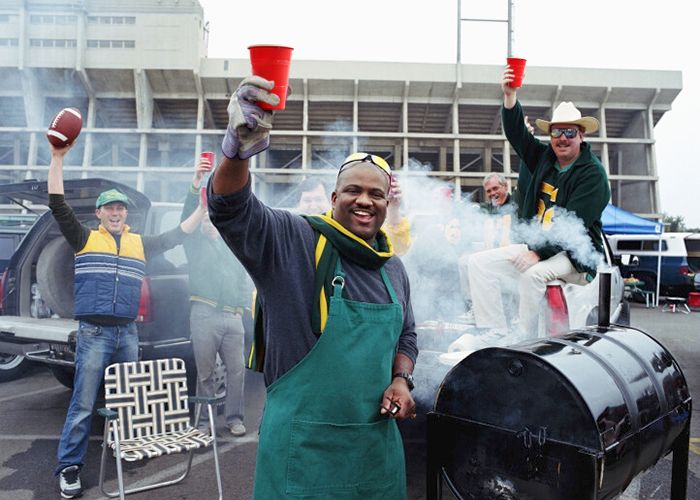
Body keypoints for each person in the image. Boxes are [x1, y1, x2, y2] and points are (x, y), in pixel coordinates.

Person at [208, 75, 418, 499]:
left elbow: (407, 337)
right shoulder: (294, 240)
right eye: (353, 191)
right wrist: (237, 148)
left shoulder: (392, 268)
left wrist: (401, 381)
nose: (365, 201)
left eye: (376, 194)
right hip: (301, 458)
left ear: (386, 203)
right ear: (335, 196)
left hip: (374, 454)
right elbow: (231, 209)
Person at [49, 143, 204, 499]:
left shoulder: (139, 242)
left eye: (120, 208)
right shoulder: (84, 237)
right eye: (110, 208)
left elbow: (179, 233)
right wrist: (58, 158)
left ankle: (123, 451)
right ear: (100, 213)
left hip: (127, 333)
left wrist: (197, 192)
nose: (116, 212)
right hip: (94, 333)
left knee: (129, 399)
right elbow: (57, 205)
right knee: (84, 402)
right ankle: (69, 467)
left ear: (125, 213)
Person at [465, 66, 610, 337]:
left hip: (575, 255)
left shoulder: (593, 175)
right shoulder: (545, 158)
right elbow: (518, 135)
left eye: (569, 132)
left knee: (533, 275)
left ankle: (525, 341)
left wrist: (537, 254)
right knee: (477, 263)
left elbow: (574, 227)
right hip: (541, 247)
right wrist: (510, 97)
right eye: (556, 132)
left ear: (581, 135)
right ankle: (495, 330)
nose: (562, 138)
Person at [181, 156, 253, 437]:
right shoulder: (195, 245)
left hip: (231, 316)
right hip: (204, 314)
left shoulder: (229, 246)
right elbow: (186, 214)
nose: (210, 223)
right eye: (206, 218)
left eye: (214, 219)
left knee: (237, 371)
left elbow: (241, 279)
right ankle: (202, 423)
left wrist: (240, 308)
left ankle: (234, 418)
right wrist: (196, 183)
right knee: (206, 373)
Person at [294, 173, 413, 255]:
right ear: (298, 204)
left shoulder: (345, 228)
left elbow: (395, 247)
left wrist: (393, 208)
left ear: (332, 200)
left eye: (319, 200)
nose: (313, 206)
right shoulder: (292, 232)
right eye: (307, 201)